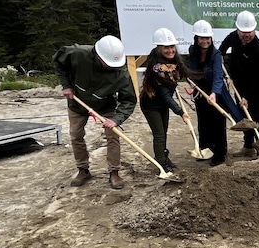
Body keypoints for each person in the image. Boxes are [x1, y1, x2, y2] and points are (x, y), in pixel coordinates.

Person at [52, 35, 137, 189]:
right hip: (77, 103)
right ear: (98, 55)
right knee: (76, 135)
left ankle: (114, 172)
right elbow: (58, 60)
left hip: (105, 105)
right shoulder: (78, 54)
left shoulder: (121, 73)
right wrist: (66, 85)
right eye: (108, 64)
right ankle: (83, 170)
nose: (111, 67)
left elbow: (129, 100)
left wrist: (116, 119)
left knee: (113, 136)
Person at [189, 20, 241, 166]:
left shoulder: (216, 54)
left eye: (207, 38)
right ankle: (205, 149)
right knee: (203, 121)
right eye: (202, 38)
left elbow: (218, 76)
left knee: (217, 122)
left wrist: (213, 93)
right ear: (196, 39)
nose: (205, 41)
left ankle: (220, 153)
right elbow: (193, 69)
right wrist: (191, 79)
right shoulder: (193, 50)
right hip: (200, 89)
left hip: (215, 90)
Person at [139, 28, 192, 172]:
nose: (170, 50)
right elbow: (166, 96)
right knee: (159, 134)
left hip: (162, 104)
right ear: (158, 48)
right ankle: (161, 164)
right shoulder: (157, 68)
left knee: (164, 131)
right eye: (166, 47)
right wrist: (181, 112)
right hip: (151, 105)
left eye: (172, 46)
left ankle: (163, 156)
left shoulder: (174, 62)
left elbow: (182, 76)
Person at [219, 11, 259, 157]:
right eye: (243, 32)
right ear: (238, 29)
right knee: (245, 118)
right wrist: (221, 54)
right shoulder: (234, 36)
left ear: (254, 30)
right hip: (238, 84)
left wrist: (247, 97)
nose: (246, 35)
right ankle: (248, 147)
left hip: (256, 88)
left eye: (250, 32)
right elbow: (226, 42)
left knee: (257, 118)